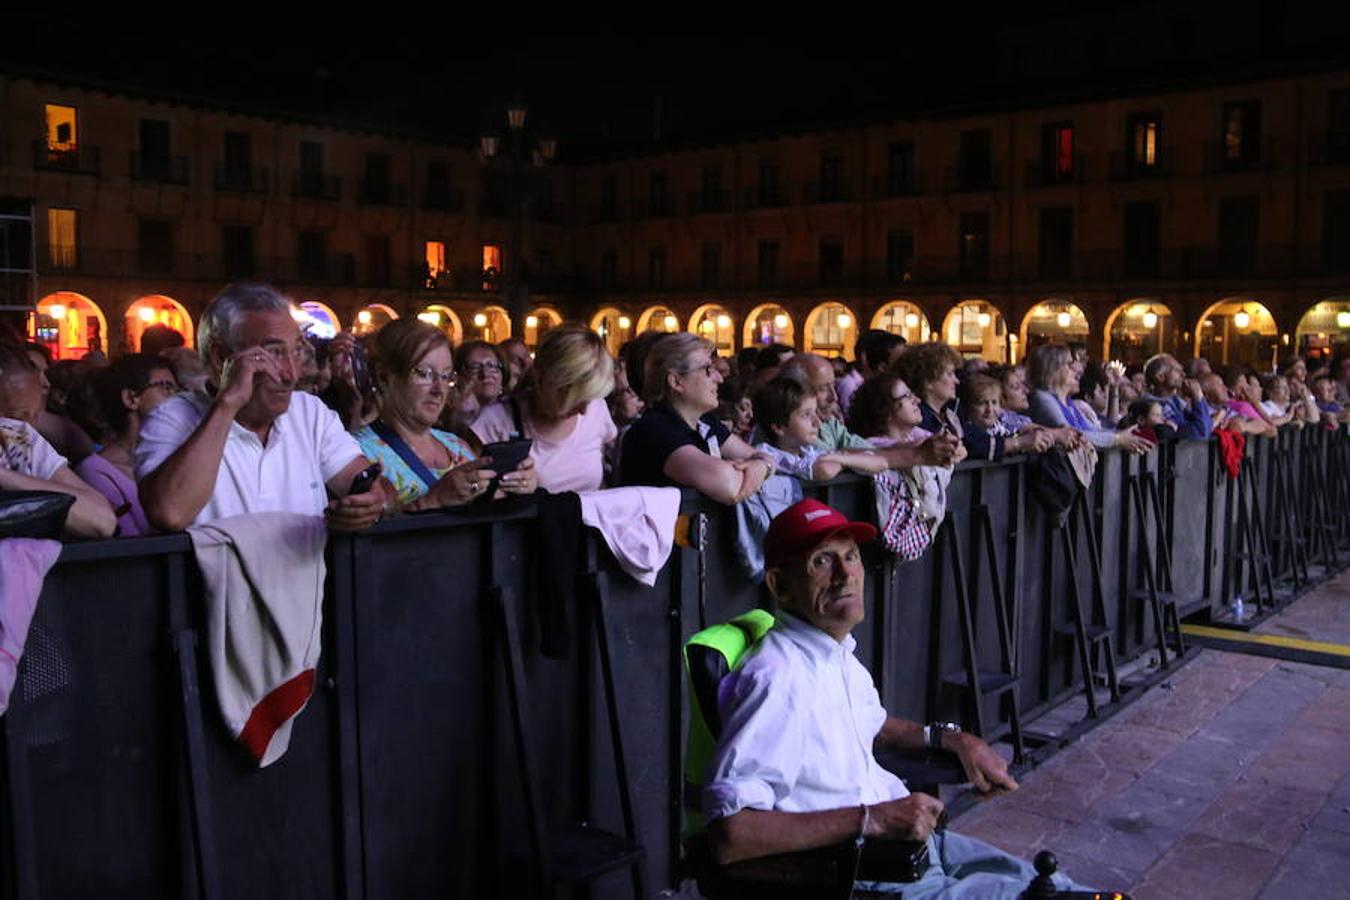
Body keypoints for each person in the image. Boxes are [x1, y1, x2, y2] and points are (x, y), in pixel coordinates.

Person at [701, 498, 1088, 896]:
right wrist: (875, 819)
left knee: (1063, 886)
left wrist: (955, 738)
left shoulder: (834, 656)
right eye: (822, 561)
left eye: (851, 556)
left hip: (919, 850)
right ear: (780, 585)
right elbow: (731, 834)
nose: (845, 575)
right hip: (864, 876)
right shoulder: (777, 679)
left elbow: (876, 725)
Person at [136, 283, 392, 531]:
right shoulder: (171, 418)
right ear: (220, 356)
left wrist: (372, 503)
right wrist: (227, 404)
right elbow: (170, 512)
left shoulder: (309, 413)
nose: (290, 374)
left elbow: (375, 487)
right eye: (273, 354)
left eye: (295, 352)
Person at [353, 319, 535, 509]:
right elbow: (363, 531)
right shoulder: (356, 452)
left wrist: (516, 488)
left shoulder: (456, 445)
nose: (439, 390)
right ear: (384, 377)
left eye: (446, 376)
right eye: (423, 373)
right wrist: (432, 500)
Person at [619, 333, 776, 503]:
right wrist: (757, 467)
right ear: (677, 382)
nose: (719, 378)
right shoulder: (653, 430)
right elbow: (728, 485)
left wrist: (760, 466)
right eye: (708, 370)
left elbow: (766, 458)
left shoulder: (704, 422)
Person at [472, 325, 617, 493]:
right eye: (576, 397)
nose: (584, 410)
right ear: (541, 379)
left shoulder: (596, 409)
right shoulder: (495, 421)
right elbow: (473, 497)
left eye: (589, 398)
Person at [0, 343, 115, 538]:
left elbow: (102, 520)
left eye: (33, 417)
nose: (29, 426)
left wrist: (6, 478)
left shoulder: (19, 437)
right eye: (17, 417)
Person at [75, 354, 179, 536]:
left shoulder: (178, 458)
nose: (176, 398)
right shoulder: (96, 473)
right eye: (166, 387)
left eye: (177, 389)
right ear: (131, 398)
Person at [753, 377, 886, 481]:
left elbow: (880, 463)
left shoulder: (808, 451)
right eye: (806, 415)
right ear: (779, 427)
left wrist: (840, 458)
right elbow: (824, 470)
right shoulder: (768, 455)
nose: (817, 422)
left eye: (815, 412)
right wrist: (844, 459)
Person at [1029, 344, 1153, 453]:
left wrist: (1124, 435)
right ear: (1053, 369)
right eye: (1069, 364)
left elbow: (1094, 431)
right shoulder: (1042, 398)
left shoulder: (1069, 403)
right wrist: (1118, 439)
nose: (1076, 371)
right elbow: (1071, 435)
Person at [958, 375, 1053, 461]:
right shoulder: (964, 431)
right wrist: (1020, 442)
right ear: (969, 407)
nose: (990, 409)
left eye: (994, 402)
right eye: (982, 403)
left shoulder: (1001, 428)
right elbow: (978, 446)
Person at [893, 342, 961, 436]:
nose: (957, 381)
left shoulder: (949, 414)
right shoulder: (918, 420)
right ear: (928, 381)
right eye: (949, 374)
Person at [1140, 353, 1214, 439]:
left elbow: (1207, 427)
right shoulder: (1151, 407)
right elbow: (1200, 433)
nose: (1183, 375)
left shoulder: (1176, 402)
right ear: (1160, 377)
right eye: (1176, 371)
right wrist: (1198, 397)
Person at [453, 340, 508, 424]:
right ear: (459, 376)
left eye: (492, 366)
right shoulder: (450, 419)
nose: (485, 373)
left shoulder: (513, 415)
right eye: (474, 367)